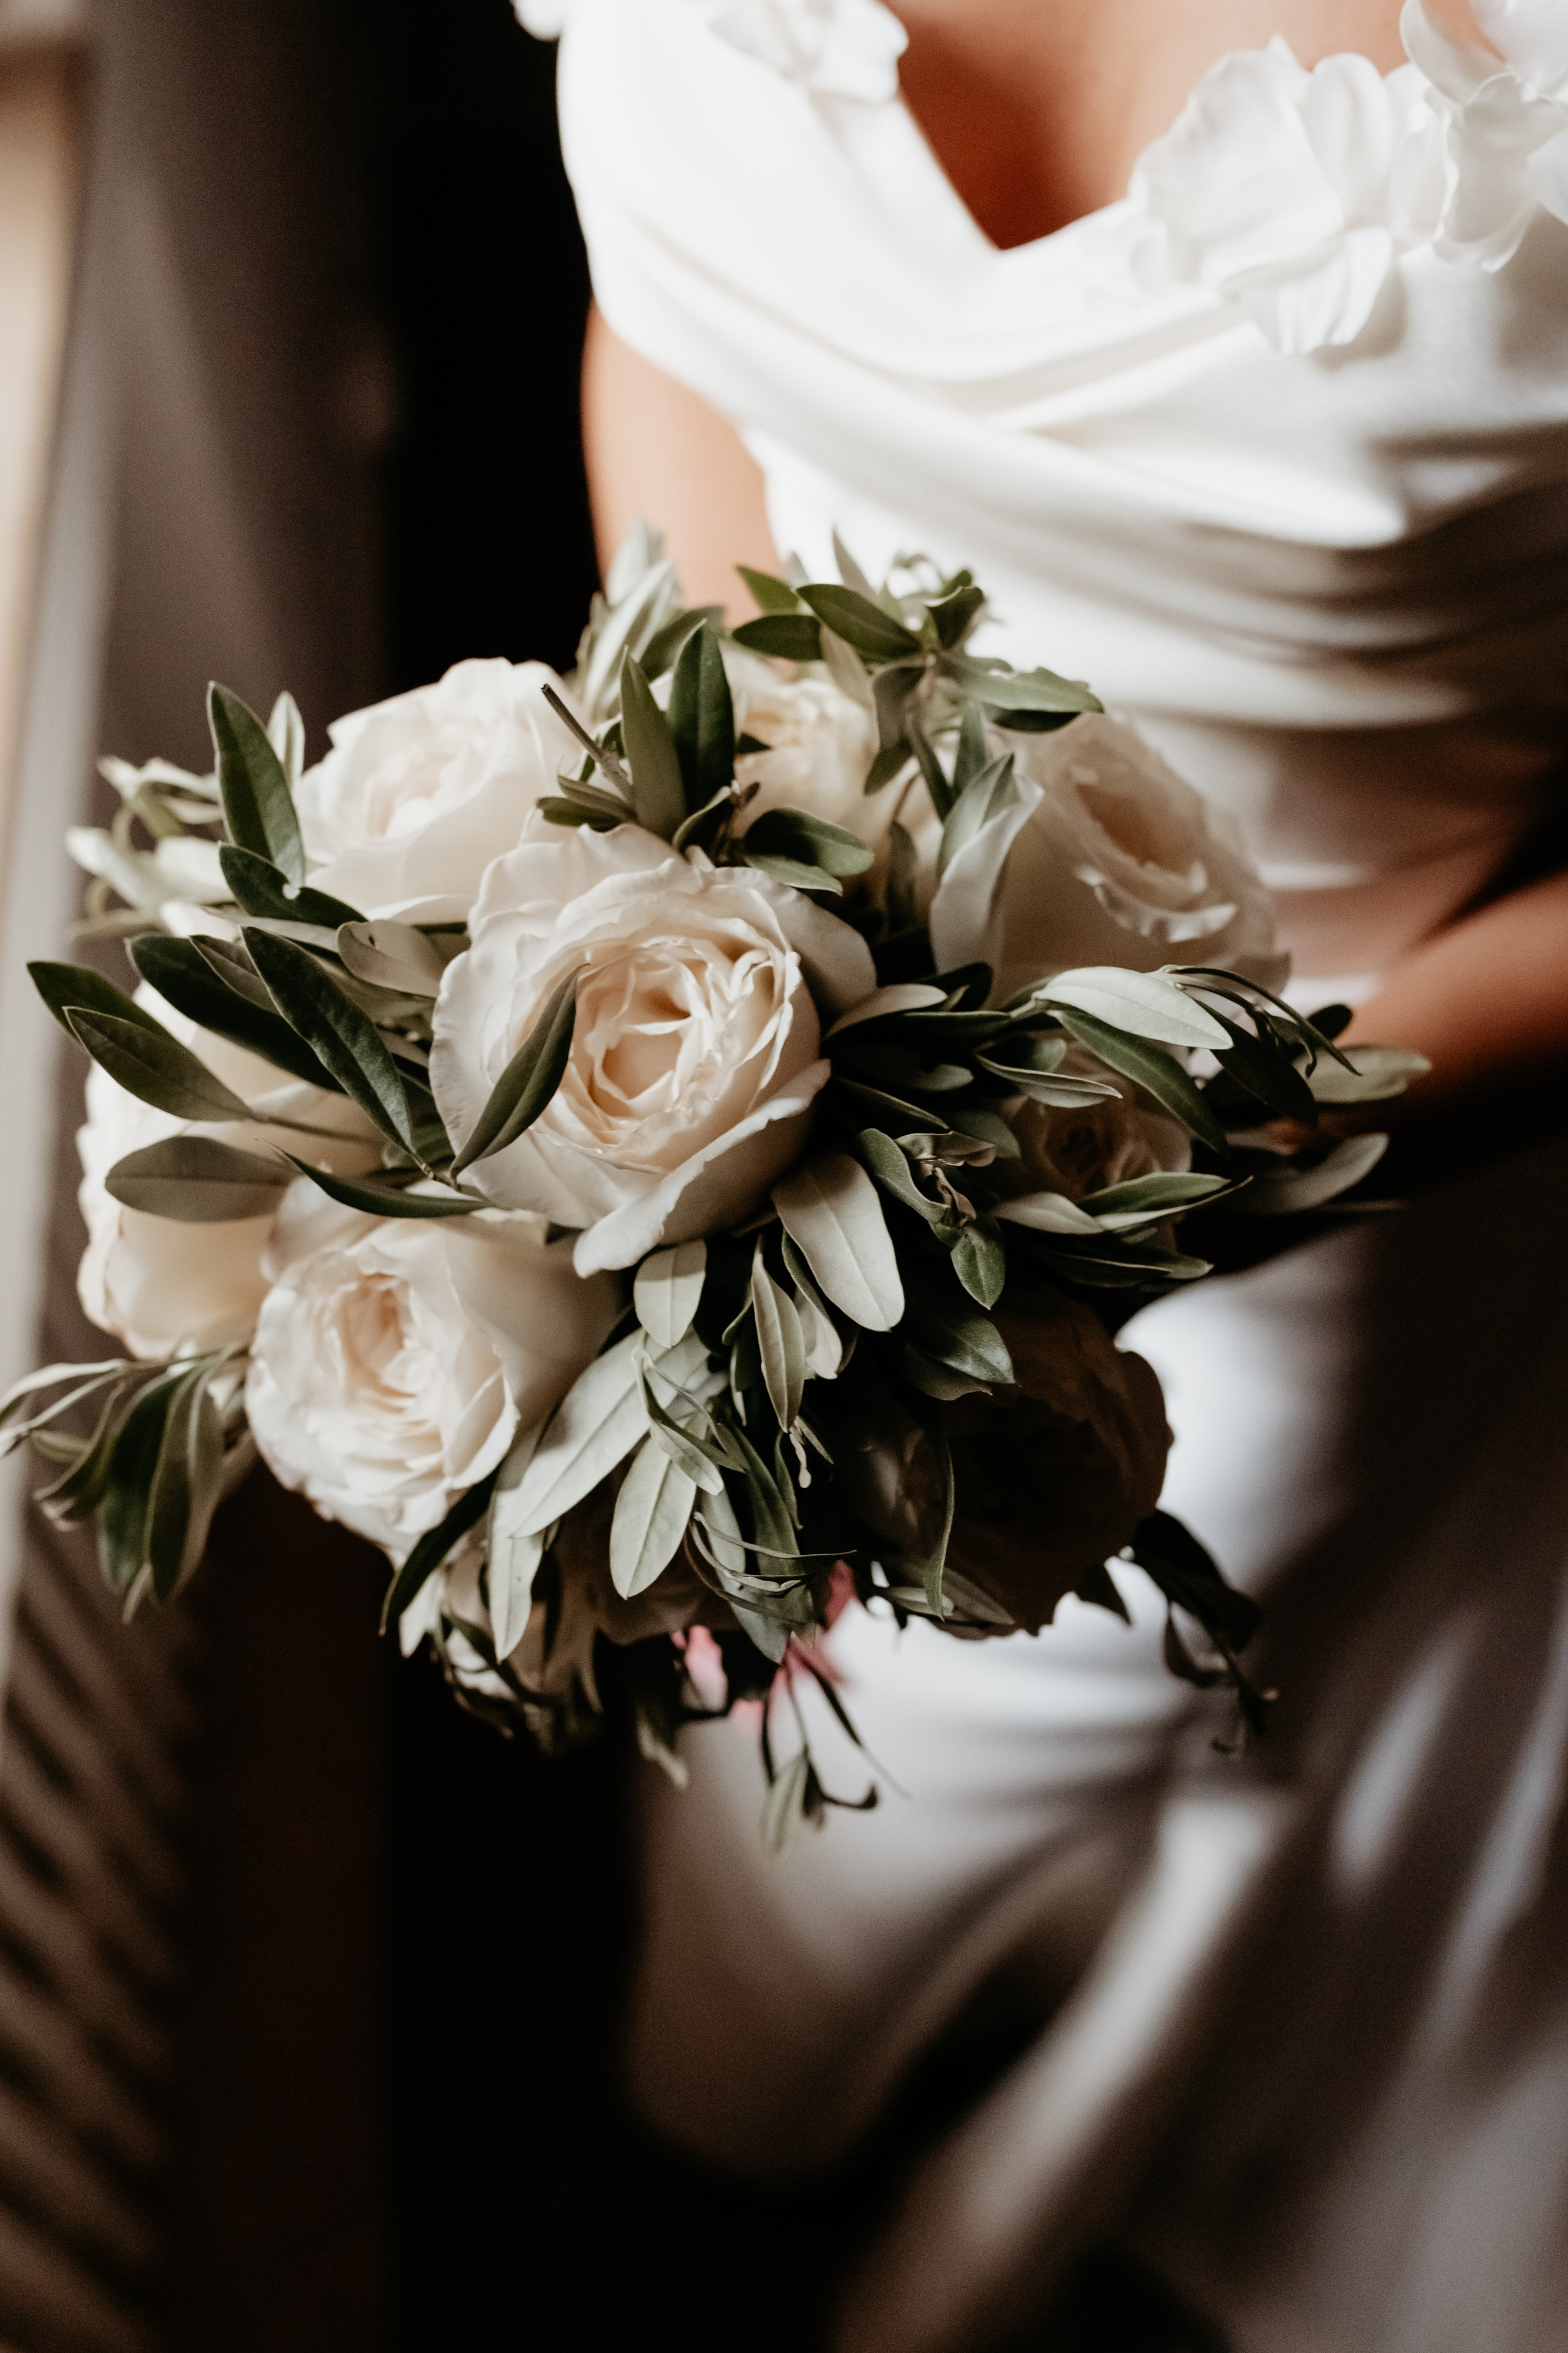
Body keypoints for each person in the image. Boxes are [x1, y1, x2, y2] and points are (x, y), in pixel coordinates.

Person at [518, 4, 1568, 2346]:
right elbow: (674, 307)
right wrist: (705, 859)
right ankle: (692, 2169)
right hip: (743, 1108)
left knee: (944, 1828)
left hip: (1257, 1247)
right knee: (727, 1803)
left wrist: (1227, 1145)